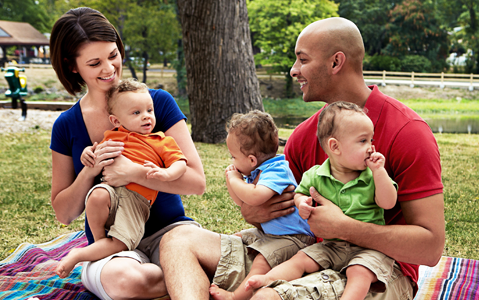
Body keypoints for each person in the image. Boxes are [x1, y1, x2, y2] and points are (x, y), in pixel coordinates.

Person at [159, 17, 444, 300]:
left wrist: (346, 228)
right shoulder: (303, 136)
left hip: (373, 269)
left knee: (267, 298)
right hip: (304, 253)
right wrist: (254, 212)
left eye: (302, 60)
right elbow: (281, 211)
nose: (294, 70)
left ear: (336, 63)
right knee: (177, 240)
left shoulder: (407, 132)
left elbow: (430, 249)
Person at [49, 7, 205, 300]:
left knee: (201, 258)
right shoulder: (67, 125)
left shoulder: (155, 103)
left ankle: (183, 272)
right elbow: (64, 212)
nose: (109, 69)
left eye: (113, 55)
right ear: (73, 67)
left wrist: (134, 173)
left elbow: (196, 183)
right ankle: (187, 277)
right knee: (126, 281)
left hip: (170, 233)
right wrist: (91, 170)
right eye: (94, 63)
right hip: (112, 249)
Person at [246, 102, 397, 300]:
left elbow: (388, 203)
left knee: (360, 272)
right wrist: (302, 204)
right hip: (331, 246)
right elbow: (298, 194)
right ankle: (269, 278)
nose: (371, 148)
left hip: (368, 248)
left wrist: (379, 172)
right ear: (335, 146)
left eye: (371, 140)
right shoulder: (316, 175)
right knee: (301, 259)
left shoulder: (372, 176)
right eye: (363, 141)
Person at [55, 79, 188, 278]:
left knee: (120, 243)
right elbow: (94, 153)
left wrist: (166, 174)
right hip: (111, 191)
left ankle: (80, 254)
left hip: (136, 200)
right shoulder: (112, 136)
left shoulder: (160, 141)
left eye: (150, 111)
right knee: (97, 195)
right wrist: (87, 155)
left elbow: (180, 163)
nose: (146, 117)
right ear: (116, 121)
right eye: (137, 113)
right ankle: (99, 241)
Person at [209, 110, 315, 300]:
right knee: (235, 238)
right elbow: (242, 203)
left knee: (262, 260)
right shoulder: (257, 170)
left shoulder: (277, 170)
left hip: (295, 238)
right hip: (271, 233)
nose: (232, 161)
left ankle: (236, 297)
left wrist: (235, 180)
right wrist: (231, 180)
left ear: (251, 159)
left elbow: (255, 197)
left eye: (233, 157)